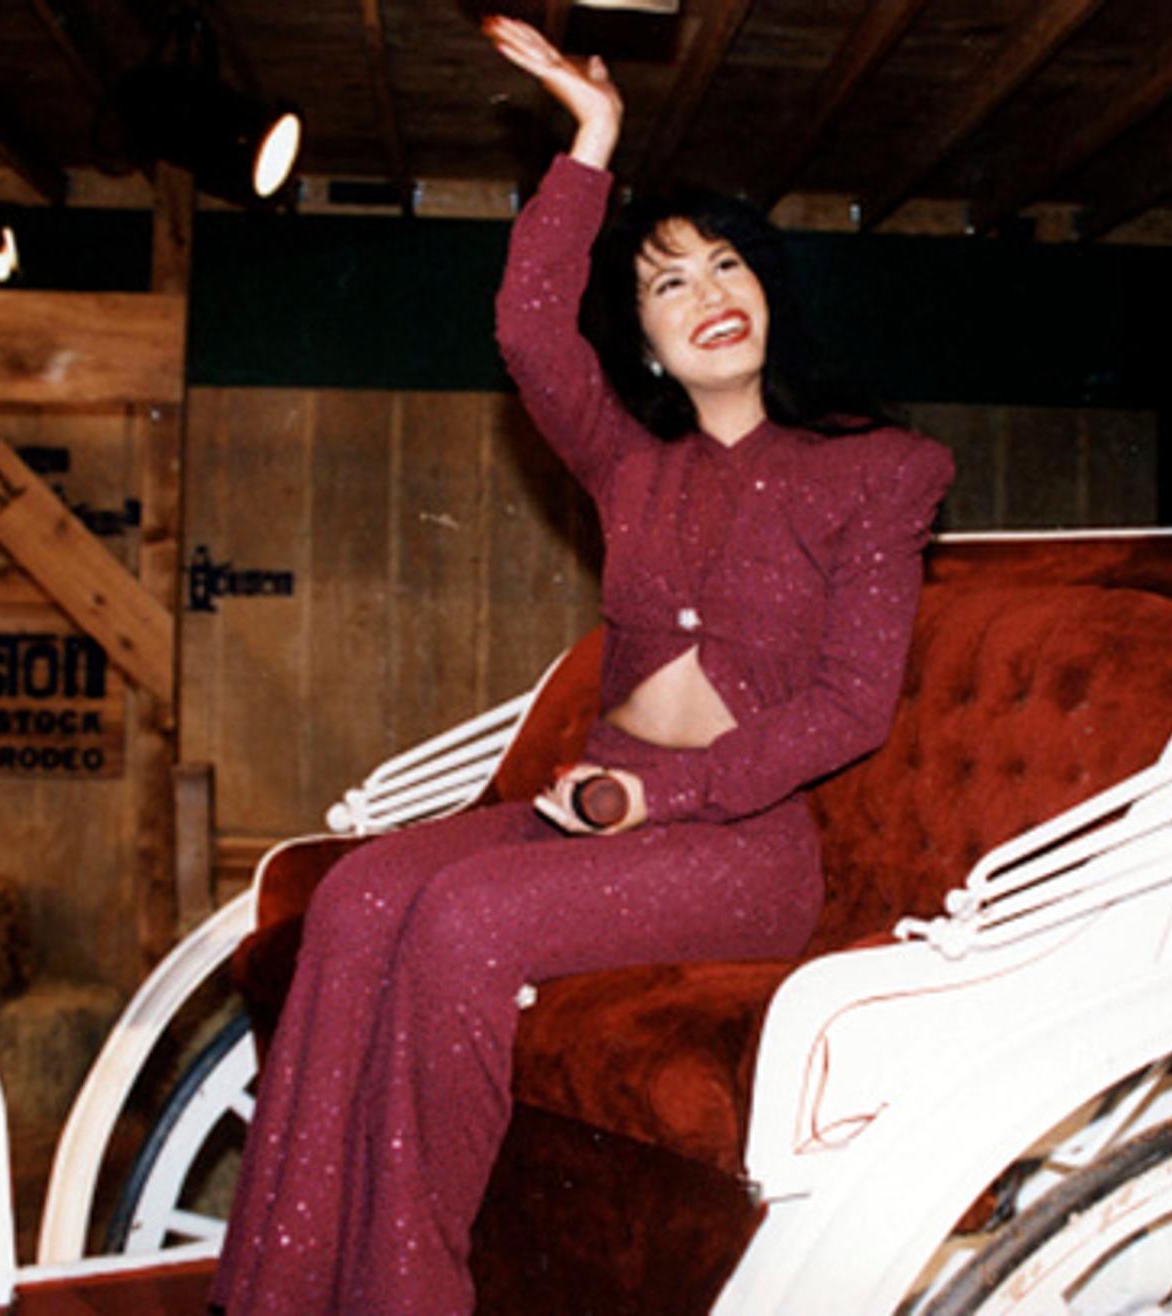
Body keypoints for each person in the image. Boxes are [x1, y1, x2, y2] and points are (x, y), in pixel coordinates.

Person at [210, 16, 953, 1313]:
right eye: (670, 284)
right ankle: (280, 1288)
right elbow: (528, 331)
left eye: (728, 267)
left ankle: (409, 1296)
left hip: (740, 846)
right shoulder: (631, 465)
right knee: (361, 896)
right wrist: (592, 142)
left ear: (769, 294)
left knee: (462, 916)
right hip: (590, 809)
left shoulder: (880, 471)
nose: (709, 296)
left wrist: (655, 799)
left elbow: (849, 706)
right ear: (649, 340)